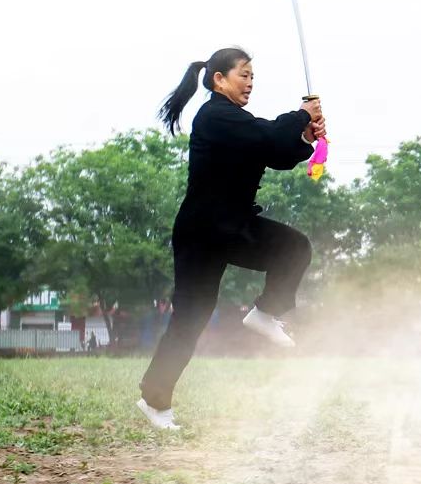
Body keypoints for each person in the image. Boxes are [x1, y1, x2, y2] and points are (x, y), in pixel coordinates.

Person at [136, 47, 326, 430]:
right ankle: (154, 402)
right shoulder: (215, 116)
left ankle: (266, 312)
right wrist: (302, 114)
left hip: (232, 226)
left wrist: (305, 137)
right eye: (244, 75)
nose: (250, 83)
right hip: (202, 232)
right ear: (219, 79)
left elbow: (275, 151)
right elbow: (266, 134)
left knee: (294, 248)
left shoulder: (237, 121)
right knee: (190, 319)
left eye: (253, 77)